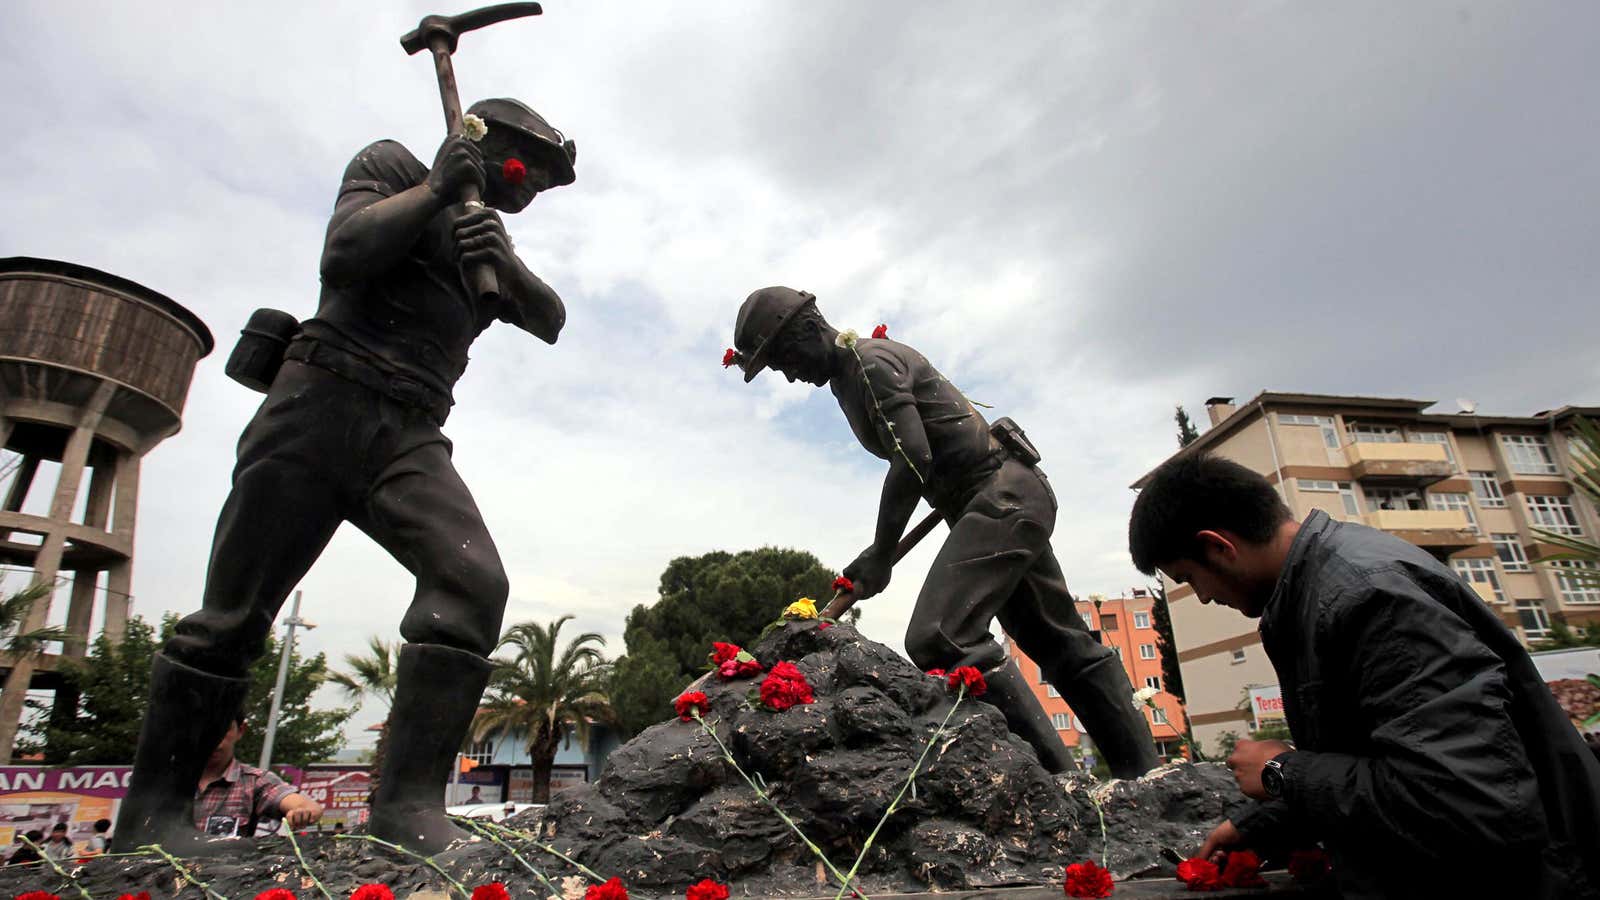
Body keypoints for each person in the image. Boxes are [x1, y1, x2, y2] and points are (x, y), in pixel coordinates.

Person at [113, 98, 577, 856]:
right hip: (318, 408)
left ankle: (405, 812)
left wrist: (506, 258)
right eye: (528, 174)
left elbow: (550, 317)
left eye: (542, 191)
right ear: (484, 145)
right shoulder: (394, 167)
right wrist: (432, 190)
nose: (528, 195)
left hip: (411, 433)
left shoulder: (484, 235)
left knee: (471, 584)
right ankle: (151, 817)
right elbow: (342, 255)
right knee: (230, 618)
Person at [1128, 452, 1600, 899]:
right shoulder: (1319, 588)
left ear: (1219, 546)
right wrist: (1264, 825)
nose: (1205, 597)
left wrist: (1282, 771)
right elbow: (1381, 756)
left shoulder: (1370, 598)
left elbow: (1463, 800)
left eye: (1190, 578)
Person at [728, 288, 1158, 777]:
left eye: (781, 357)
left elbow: (912, 456)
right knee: (1057, 640)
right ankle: (1139, 777)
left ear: (803, 332)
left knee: (941, 636)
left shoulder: (869, 363)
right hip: (989, 504)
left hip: (1002, 497)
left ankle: (1061, 781)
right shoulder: (848, 377)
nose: (787, 373)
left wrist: (882, 553)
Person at [194, 710, 324, 838]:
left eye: (223, 729)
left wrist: (301, 811)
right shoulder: (173, 781)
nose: (214, 739)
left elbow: (308, 806)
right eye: (204, 729)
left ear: (240, 730)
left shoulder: (255, 782)